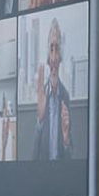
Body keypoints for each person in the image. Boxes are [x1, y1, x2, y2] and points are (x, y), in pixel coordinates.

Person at [33, 17, 72, 159]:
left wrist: (66, 138)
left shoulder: (66, 96)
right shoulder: (41, 94)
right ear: (48, 58)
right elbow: (34, 154)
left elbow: (69, 155)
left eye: (57, 48)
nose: (54, 56)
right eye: (51, 49)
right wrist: (40, 120)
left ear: (61, 57)